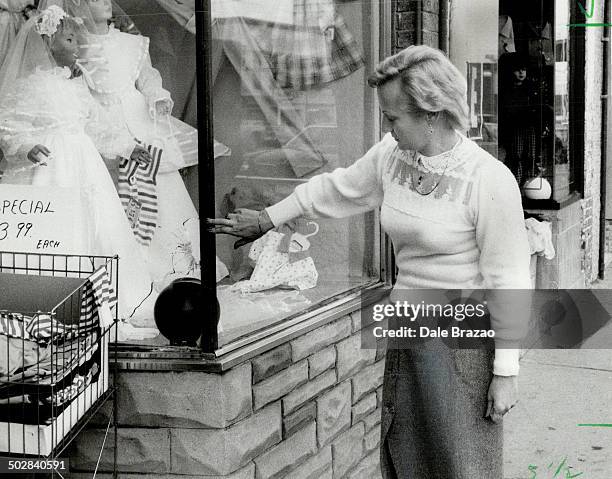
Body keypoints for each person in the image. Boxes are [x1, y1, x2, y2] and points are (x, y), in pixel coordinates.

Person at [208, 45, 532, 478]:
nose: (387, 127)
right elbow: (335, 190)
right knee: (405, 456)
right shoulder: (391, 157)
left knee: (461, 463)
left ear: (431, 113)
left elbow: (509, 279)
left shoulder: (488, 180)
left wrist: (506, 372)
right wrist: (268, 219)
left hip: (464, 343)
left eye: (394, 118)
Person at [0, 6, 155, 324]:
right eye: (70, 39)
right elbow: (9, 124)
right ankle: (48, 301)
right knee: (57, 231)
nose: (77, 46)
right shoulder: (32, 85)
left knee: (98, 223)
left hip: (83, 161)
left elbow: (96, 127)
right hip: (51, 166)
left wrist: (127, 146)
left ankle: (108, 299)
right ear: (47, 43)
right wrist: (25, 146)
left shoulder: (76, 84)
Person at [38, 0, 201, 286]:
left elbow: (148, 78)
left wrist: (156, 96)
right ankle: (129, 271)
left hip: (137, 118)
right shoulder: (75, 45)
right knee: (111, 196)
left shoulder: (132, 42)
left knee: (157, 189)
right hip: (100, 125)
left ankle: (170, 263)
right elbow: (75, 90)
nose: (106, 4)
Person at [499, 52, 540, 187]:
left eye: (524, 69)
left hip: (529, 126)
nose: (521, 72)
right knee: (516, 156)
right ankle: (517, 183)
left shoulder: (530, 89)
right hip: (516, 127)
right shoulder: (507, 90)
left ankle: (528, 184)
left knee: (530, 156)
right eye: (518, 70)